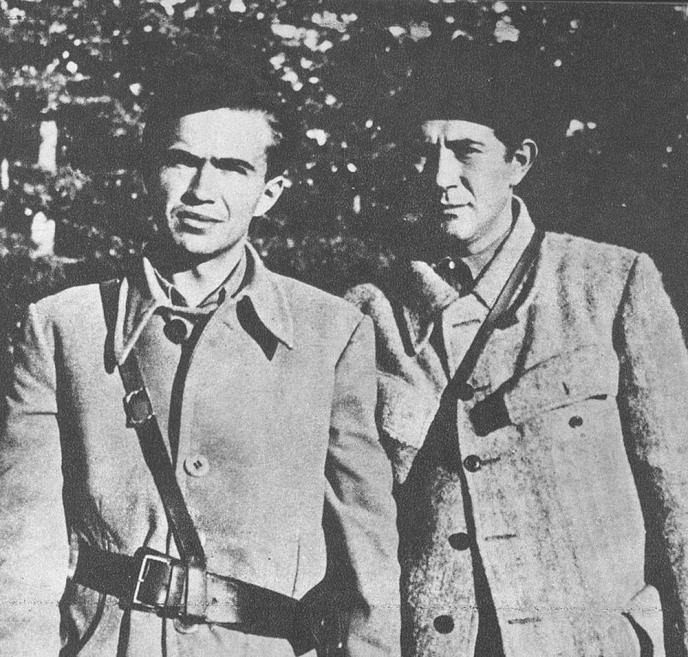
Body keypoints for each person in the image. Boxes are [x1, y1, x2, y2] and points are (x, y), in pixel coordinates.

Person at [0, 50, 400, 657]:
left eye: (233, 168)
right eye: (181, 161)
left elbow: (365, 553)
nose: (200, 191)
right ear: (148, 174)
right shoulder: (62, 326)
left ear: (269, 192)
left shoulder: (331, 334)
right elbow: (21, 552)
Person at [346, 40, 688, 657]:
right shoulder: (365, 313)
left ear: (519, 162)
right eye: (424, 154)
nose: (440, 177)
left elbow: (679, 494)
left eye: (467, 151)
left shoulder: (610, 285)